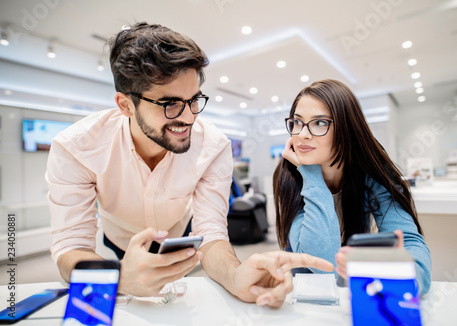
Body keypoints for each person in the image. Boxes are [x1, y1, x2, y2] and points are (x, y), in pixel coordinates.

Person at [46, 22, 333, 307]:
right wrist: (119, 277)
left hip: (179, 234)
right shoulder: (76, 148)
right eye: (170, 104)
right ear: (125, 105)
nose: (188, 118)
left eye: (193, 100)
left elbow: (211, 234)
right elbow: (70, 247)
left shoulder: (213, 146)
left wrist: (235, 276)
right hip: (118, 239)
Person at [273, 79, 432, 295]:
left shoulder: (372, 173)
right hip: (305, 294)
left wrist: (405, 277)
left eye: (320, 122)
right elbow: (322, 263)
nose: (302, 134)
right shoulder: (289, 175)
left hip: (359, 292)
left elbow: (410, 243)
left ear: (347, 129)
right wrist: (310, 174)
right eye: (297, 122)